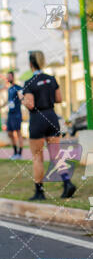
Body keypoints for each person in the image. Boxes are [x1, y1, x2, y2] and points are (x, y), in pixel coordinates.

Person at [20, 51, 76, 201]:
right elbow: (59, 99)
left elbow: (30, 105)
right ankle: (67, 183)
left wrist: (22, 99)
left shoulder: (29, 83)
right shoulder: (51, 79)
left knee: (37, 157)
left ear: (30, 64)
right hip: (52, 117)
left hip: (37, 119)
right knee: (56, 155)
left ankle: (40, 192)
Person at [0, 71, 24, 159]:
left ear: (13, 77)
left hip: (17, 114)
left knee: (18, 133)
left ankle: (20, 154)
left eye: (9, 76)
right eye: (7, 77)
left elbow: (22, 98)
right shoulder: (9, 89)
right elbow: (8, 101)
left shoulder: (18, 87)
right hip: (10, 114)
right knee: (10, 133)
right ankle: (15, 152)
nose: (8, 78)